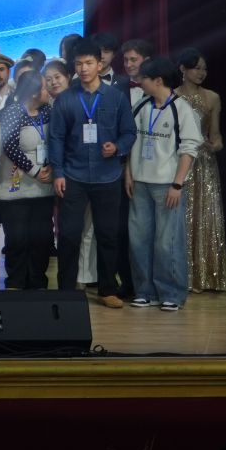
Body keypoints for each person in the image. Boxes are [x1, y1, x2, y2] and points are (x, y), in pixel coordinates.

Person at [47, 41, 136, 309]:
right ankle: (66, 290)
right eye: (78, 64)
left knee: (108, 234)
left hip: (107, 176)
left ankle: (107, 289)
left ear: (100, 64)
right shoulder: (65, 99)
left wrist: (117, 147)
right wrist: (58, 172)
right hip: (72, 176)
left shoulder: (116, 97)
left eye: (88, 63)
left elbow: (129, 132)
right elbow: (56, 138)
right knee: (69, 235)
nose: (83, 69)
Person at [128, 55, 203, 311]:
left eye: (144, 78)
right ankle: (144, 291)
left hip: (167, 185)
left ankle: (171, 293)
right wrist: (129, 174)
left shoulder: (182, 109)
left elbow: (189, 149)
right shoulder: (141, 105)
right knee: (139, 240)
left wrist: (177, 184)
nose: (140, 82)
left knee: (167, 241)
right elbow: (130, 141)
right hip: (140, 183)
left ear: (158, 80)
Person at [0, 78, 57, 291]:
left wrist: (52, 167)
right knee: (17, 238)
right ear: (33, 92)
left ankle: (38, 282)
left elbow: (57, 139)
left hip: (44, 187)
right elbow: (10, 146)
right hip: (16, 188)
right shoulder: (13, 112)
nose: (48, 90)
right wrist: (35, 171)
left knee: (42, 238)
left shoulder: (48, 111)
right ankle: (16, 282)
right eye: (44, 87)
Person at [178, 48, 226, 293]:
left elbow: (216, 136)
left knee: (204, 216)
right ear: (183, 69)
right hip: (180, 162)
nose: (201, 73)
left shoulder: (212, 97)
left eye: (204, 69)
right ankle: (180, 275)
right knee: (181, 217)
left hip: (204, 163)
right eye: (196, 68)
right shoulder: (173, 96)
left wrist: (214, 145)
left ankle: (205, 276)